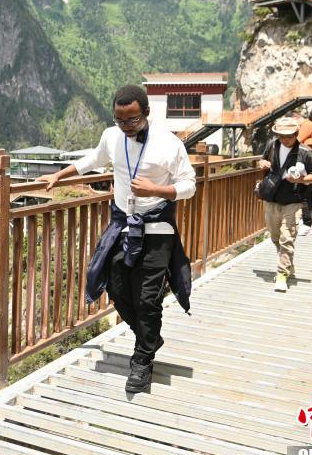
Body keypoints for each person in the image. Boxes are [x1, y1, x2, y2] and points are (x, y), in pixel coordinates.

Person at [38, 85, 196, 393]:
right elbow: (91, 160)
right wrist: (58, 176)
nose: (126, 126)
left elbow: (189, 185)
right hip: (123, 226)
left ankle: (142, 360)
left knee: (147, 298)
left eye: (132, 120)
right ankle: (150, 338)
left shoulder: (169, 143)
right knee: (116, 287)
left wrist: (156, 190)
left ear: (146, 113)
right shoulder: (112, 137)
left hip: (157, 228)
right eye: (120, 119)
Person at [258, 117, 312, 292]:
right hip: (271, 198)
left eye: (289, 136)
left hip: (293, 200)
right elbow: (262, 160)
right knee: (275, 236)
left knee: (287, 237)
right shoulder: (272, 145)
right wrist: (262, 163)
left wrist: (300, 180)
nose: (285, 139)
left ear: (296, 134)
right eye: (281, 136)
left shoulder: (305, 152)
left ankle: (282, 274)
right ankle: (288, 264)